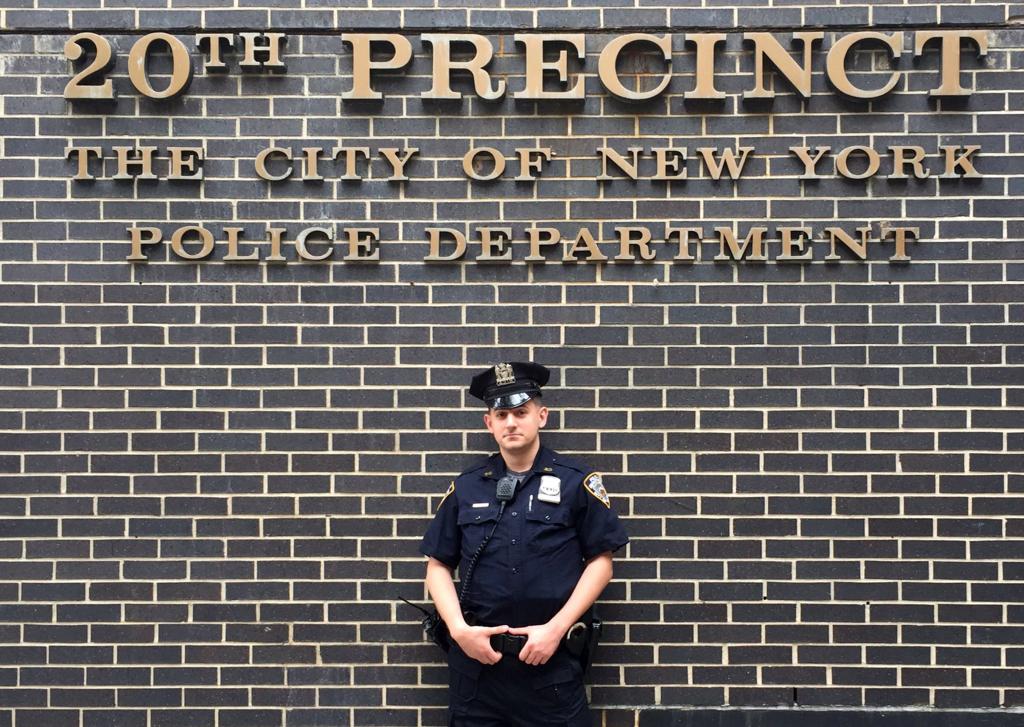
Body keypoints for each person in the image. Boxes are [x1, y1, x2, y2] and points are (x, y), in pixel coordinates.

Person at [419, 361, 630, 727]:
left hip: (550, 670)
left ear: (541, 416)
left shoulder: (575, 482)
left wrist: (555, 629)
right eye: (501, 414)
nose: (511, 422)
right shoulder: (467, 487)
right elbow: (438, 565)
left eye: (521, 411)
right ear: (489, 423)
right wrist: (458, 630)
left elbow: (602, 562)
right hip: (478, 675)